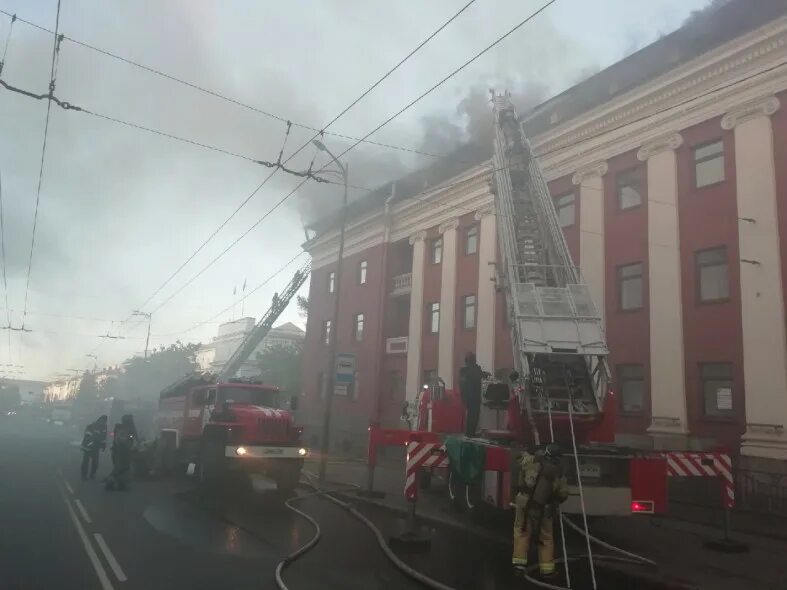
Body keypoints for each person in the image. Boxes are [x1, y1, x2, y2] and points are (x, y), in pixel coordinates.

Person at [512, 443, 569, 577]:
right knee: (546, 538)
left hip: (524, 505)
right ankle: (547, 570)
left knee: (522, 532)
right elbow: (563, 494)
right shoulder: (558, 472)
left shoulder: (530, 462)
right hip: (545, 508)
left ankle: (519, 566)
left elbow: (518, 460)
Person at [105, 414, 138, 491]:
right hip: (122, 452)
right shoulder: (124, 429)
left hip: (122, 452)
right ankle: (110, 483)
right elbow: (123, 440)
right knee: (119, 468)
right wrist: (131, 440)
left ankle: (121, 484)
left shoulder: (122, 428)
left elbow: (130, 438)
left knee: (125, 469)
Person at [458, 352, 487, 437]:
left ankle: (470, 433)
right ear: (472, 360)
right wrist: (484, 374)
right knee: (474, 415)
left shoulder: (463, 370)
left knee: (471, 415)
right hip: (473, 397)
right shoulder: (473, 369)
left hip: (467, 397)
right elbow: (477, 375)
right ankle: (470, 433)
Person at [80, 415, 108, 480]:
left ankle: (92, 474)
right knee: (86, 462)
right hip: (88, 447)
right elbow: (87, 436)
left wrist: (103, 445)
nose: (104, 422)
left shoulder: (104, 427)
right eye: (103, 421)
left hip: (95, 447)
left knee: (95, 462)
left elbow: (104, 437)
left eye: (105, 421)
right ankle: (84, 475)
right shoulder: (91, 426)